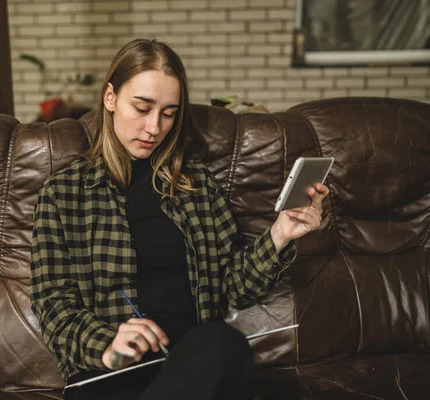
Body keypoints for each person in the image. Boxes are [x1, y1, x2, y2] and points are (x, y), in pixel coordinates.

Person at [29, 38, 329, 400]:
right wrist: (108, 345)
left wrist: (280, 234)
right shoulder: (64, 193)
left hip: (194, 364)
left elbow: (232, 286)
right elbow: (52, 303)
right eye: (142, 108)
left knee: (222, 342)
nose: (154, 127)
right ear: (110, 98)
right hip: (112, 371)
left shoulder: (196, 186)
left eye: (169, 113)